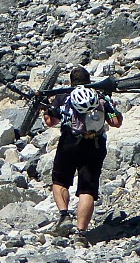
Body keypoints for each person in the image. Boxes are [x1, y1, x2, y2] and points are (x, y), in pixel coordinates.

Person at [43, 66, 123, 246]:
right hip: (95, 145)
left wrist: (46, 110)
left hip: (69, 143)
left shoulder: (63, 96)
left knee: (60, 181)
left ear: (71, 82)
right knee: (87, 190)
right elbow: (115, 122)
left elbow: (50, 122)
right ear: (89, 81)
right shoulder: (100, 96)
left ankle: (64, 216)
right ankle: (81, 233)